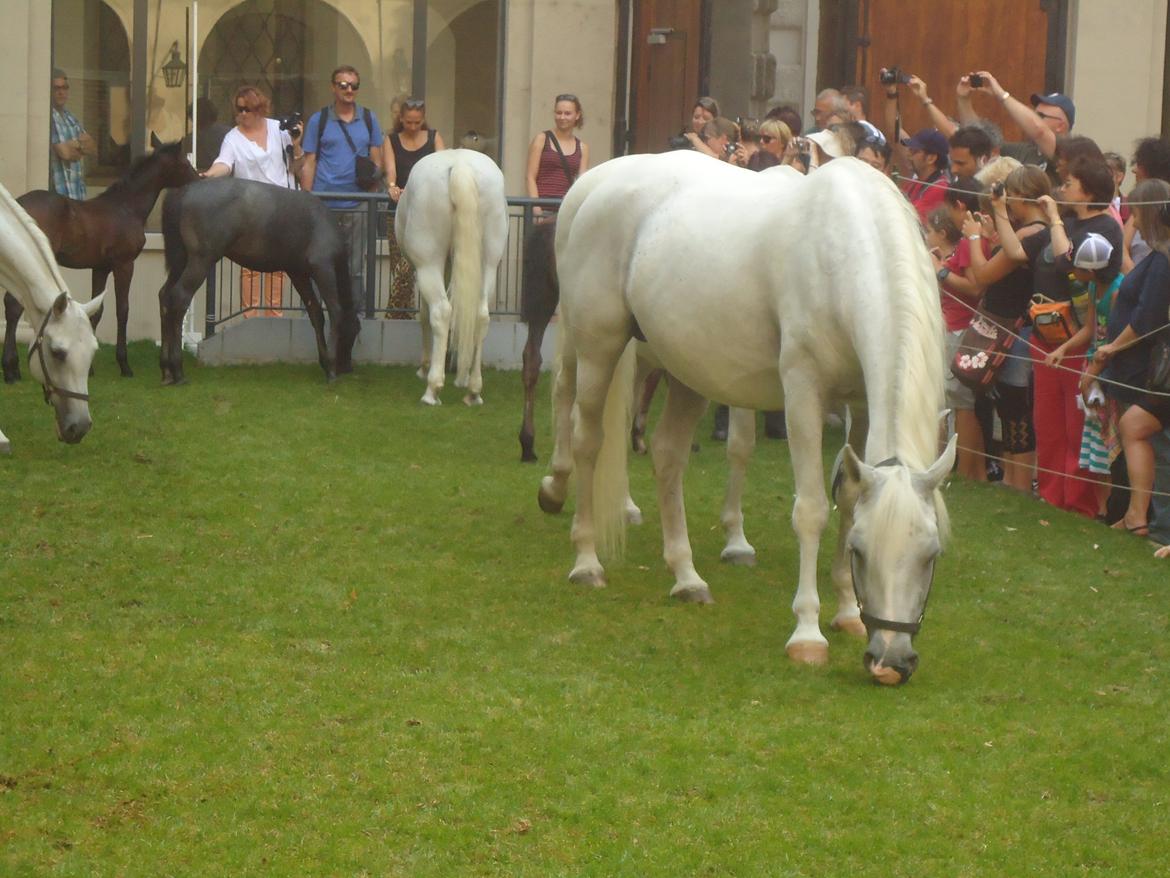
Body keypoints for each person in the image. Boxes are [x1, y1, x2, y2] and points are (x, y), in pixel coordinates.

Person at [1028, 156, 1123, 516]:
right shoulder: (1068, 221)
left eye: (1069, 183)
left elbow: (1065, 261)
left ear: (1088, 191)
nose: (1062, 188)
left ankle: (1079, 501)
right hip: (1047, 337)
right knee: (1048, 422)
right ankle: (1051, 493)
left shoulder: (1106, 226)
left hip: (1083, 342)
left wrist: (1053, 218)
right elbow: (1025, 252)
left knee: (1076, 425)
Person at [1094, 179, 1170, 537]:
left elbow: (1147, 317)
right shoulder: (1158, 256)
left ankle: (1139, 517)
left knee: (1135, 427)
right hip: (1150, 366)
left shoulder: (1163, 260)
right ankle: (1139, 517)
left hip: (1155, 368)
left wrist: (1113, 347)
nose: (1133, 222)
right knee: (1137, 430)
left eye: (1136, 214)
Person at [965, 160, 1045, 493]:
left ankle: (1020, 482)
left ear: (1022, 195)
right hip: (1013, 328)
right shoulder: (1032, 231)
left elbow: (983, 274)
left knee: (1015, 407)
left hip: (1017, 331)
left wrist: (973, 238)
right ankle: (1013, 478)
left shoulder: (1030, 234)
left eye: (1009, 195)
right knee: (1009, 405)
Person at [204, 85, 306, 318]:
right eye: (238, 109)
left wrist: (297, 143)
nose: (242, 114)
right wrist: (209, 174)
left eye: (247, 109)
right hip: (250, 208)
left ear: (259, 109)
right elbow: (224, 163)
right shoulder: (233, 137)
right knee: (250, 265)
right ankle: (249, 318)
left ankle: (274, 317)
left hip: (281, 206)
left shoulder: (278, 129)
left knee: (278, 264)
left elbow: (297, 167)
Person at [300, 65, 387, 316]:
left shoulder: (369, 118)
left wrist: (371, 193)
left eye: (354, 86)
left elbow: (377, 160)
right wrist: (307, 199)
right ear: (333, 87)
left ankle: (353, 316)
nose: (349, 90)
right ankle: (313, 314)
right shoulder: (319, 120)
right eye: (343, 85)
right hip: (323, 202)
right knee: (317, 260)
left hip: (357, 203)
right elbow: (310, 161)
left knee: (355, 266)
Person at [1070, 233, 1125, 517]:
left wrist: (1091, 375)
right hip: (1092, 371)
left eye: (1078, 268)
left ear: (1091, 271)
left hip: (1107, 374)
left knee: (1110, 438)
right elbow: (1090, 329)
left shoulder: (1117, 292)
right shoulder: (1094, 288)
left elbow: (1114, 342)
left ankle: (1115, 508)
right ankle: (1102, 508)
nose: (1073, 272)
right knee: (1094, 438)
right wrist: (1063, 350)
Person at [524, 93, 587, 217]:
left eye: (567, 113)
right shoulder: (541, 139)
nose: (562, 117)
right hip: (542, 208)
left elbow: (582, 182)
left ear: (577, 115)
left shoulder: (582, 147)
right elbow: (530, 176)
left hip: (566, 210)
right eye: (559, 113)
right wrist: (536, 207)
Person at [49, 69, 96, 200]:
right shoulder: (48, 116)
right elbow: (65, 153)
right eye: (56, 88)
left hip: (76, 196)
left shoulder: (71, 118)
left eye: (64, 88)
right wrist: (81, 147)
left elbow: (92, 147)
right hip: (56, 198)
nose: (61, 92)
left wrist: (76, 145)